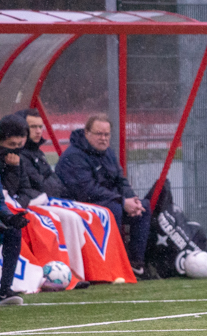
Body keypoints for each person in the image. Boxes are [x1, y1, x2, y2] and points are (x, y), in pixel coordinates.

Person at [55, 114, 152, 276]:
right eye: (98, 134)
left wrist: (131, 199)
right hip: (77, 204)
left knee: (144, 207)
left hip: (105, 201)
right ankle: (114, 263)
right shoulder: (73, 156)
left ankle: (136, 264)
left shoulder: (108, 153)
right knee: (113, 210)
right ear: (87, 133)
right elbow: (87, 191)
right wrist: (122, 202)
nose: (103, 138)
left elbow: (121, 180)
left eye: (106, 135)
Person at [0, 115, 30, 306]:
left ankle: (4, 291)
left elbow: (7, 193)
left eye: (20, 144)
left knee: (12, 233)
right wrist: (7, 217)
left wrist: (13, 169)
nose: (15, 149)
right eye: (11, 144)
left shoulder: (10, 160)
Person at [15, 108, 65, 198]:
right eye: (33, 127)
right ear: (22, 128)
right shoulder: (19, 154)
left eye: (40, 127)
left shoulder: (38, 152)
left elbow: (54, 179)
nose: (38, 131)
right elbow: (40, 185)